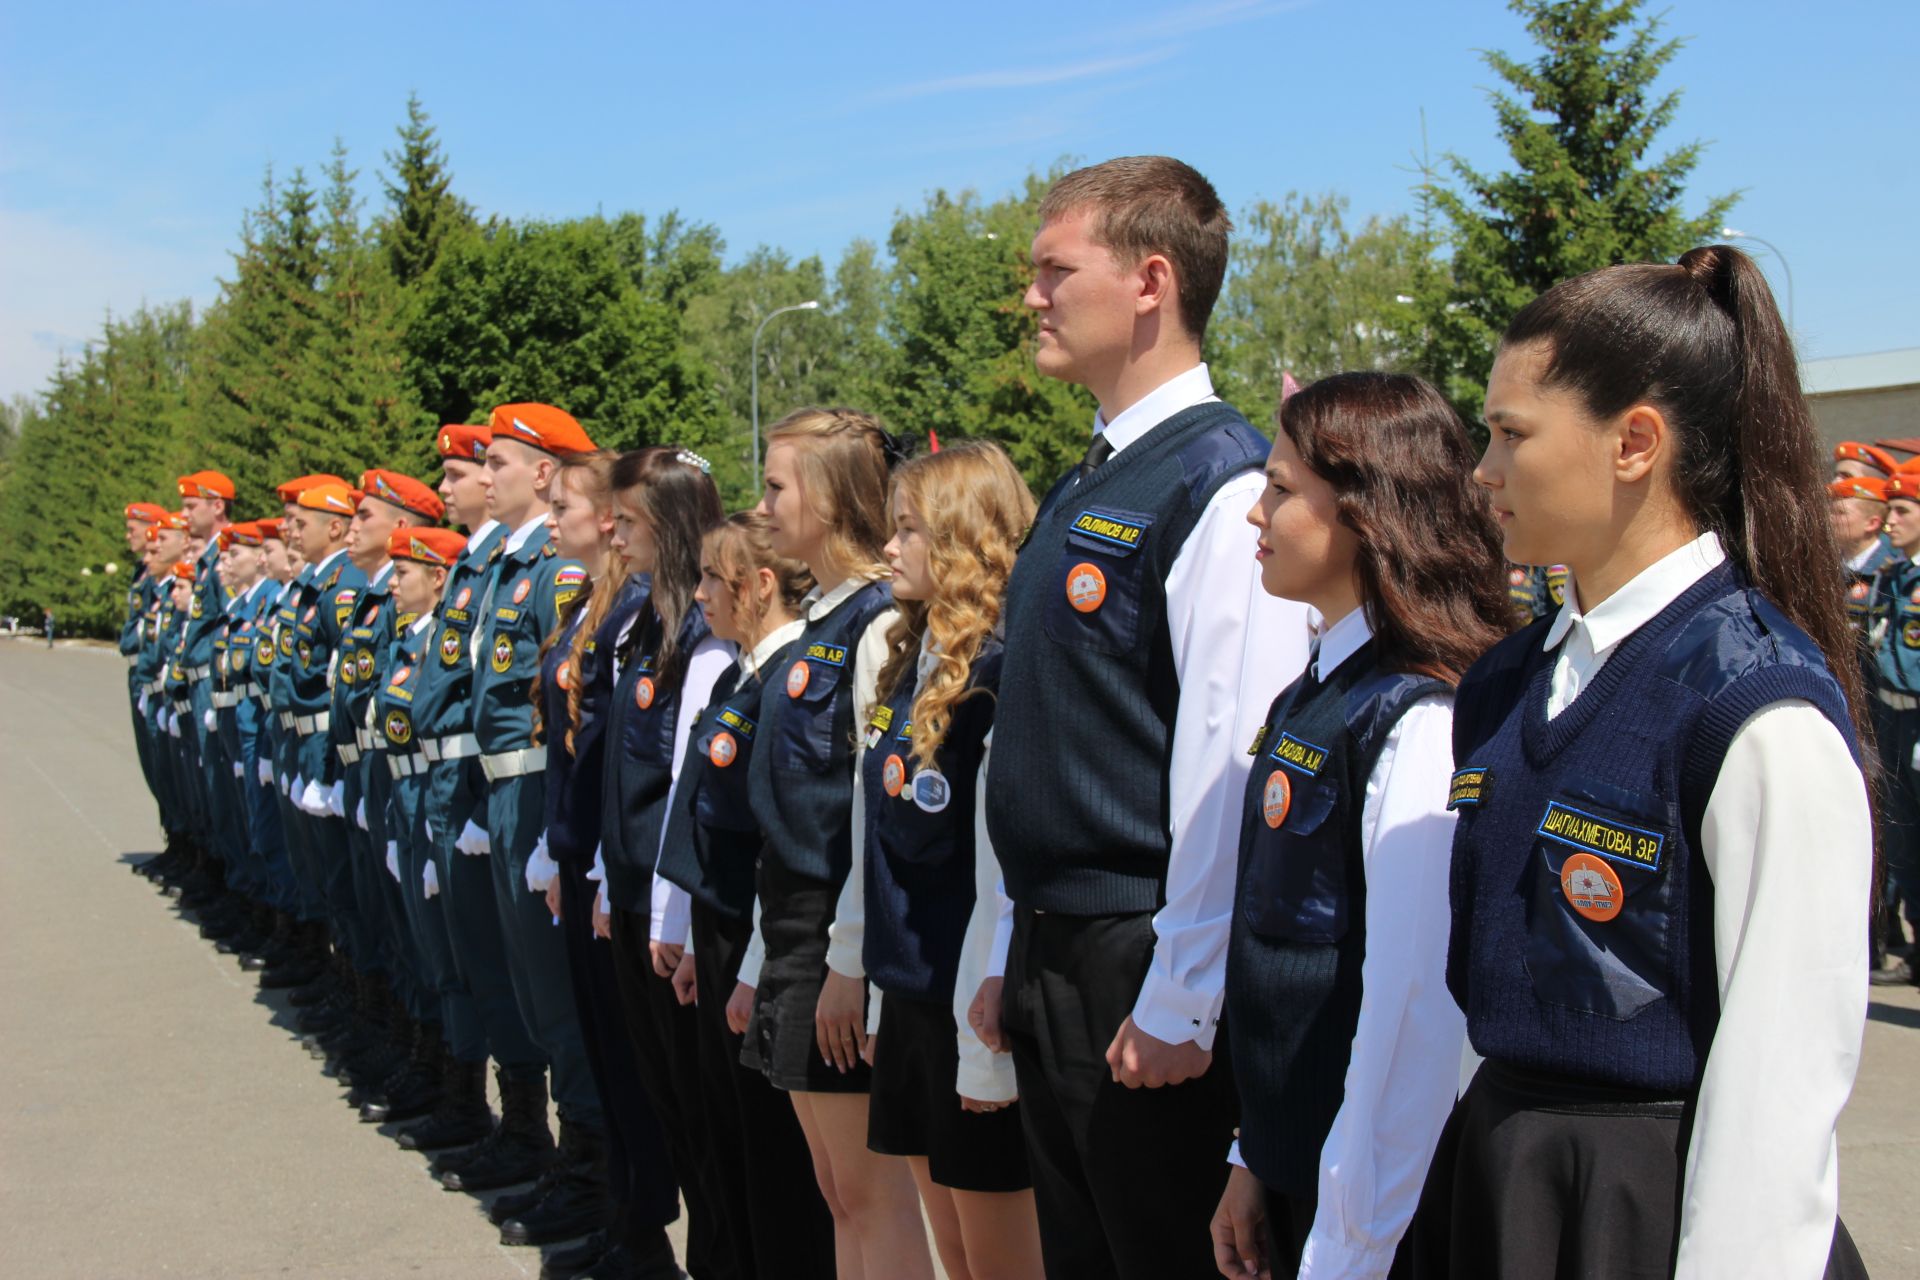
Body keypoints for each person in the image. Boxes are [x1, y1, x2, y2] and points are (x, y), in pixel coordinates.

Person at [1407, 245, 1871, 1279]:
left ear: (1636, 442)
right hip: (1497, 1190)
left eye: (1512, 433)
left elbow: (1780, 1090)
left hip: (1649, 1214)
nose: (1483, 469)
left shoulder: (1756, 707)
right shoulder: (1506, 681)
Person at [981, 156, 1311, 1278]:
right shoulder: (1092, 478)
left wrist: (1184, 994)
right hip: (1057, 949)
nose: (1031, 295)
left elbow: (1231, 761)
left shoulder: (1217, 480)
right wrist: (1006, 949)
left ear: (1149, 281)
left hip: (1142, 960)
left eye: (1052, 269)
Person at [1207, 373, 1509, 1279]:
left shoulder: (1415, 717)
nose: (1254, 514)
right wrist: (1254, 1154)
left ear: (1368, 510)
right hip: (1304, 1167)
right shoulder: (1323, 686)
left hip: (1375, 1208)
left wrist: (1350, 1242)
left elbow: (1411, 1009)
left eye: (1282, 488)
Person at [740, 406, 933, 1280]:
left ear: (825, 493)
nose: (765, 504)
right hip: (795, 927)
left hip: (833, 937)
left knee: (869, 1195)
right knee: (835, 1190)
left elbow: (871, 812)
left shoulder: (876, 625)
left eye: (778, 485)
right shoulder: (826, 617)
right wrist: (759, 959)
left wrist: (846, 962)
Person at [858, 441, 1045, 1280]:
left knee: (995, 1261)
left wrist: (983, 1051)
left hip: (967, 1011)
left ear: (963, 538)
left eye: (907, 531)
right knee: (954, 1260)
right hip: (909, 1003)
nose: (888, 549)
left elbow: (997, 883)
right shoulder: (914, 662)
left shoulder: (998, 679)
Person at [516, 447, 686, 1277]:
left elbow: (623, 760)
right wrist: (559, 844)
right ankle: (627, 1216)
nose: (557, 521)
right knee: (604, 1053)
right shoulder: (589, 608)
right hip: (583, 860)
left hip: (610, 870)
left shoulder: (630, 616)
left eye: (567, 506)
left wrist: (599, 868)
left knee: (630, 1063)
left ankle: (641, 1226)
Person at [658, 511, 835, 1279]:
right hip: (721, 931)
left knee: (776, 1170)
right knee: (726, 1143)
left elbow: (777, 838)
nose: (698, 594)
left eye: (711, 578)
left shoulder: (786, 675)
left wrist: (752, 963)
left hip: (760, 938)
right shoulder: (741, 671)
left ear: (760, 585)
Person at [393, 428, 551, 1197]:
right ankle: (520, 1126)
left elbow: (553, 696)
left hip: (518, 789)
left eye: (489, 464)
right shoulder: (488, 569)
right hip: (477, 784)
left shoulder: (541, 568)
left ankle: (567, 1157)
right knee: (496, 974)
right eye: (473, 467)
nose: (478, 481)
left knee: (537, 986)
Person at [450, 402, 601, 1200]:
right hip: (504, 789)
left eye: (497, 462)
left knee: (557, 985)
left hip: (541, 790)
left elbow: (568, 701)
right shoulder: (507, 565)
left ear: (544, 472)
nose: (481, 476)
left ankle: (585, 1163)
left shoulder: (558, 566)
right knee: (524, 980)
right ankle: (538, 1139)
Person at [595, 447, 740, 1276]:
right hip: (633, 896)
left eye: (630, 522)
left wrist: (663, 915)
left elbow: (689, 791)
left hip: (670, 916)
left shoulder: (701, 641)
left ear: (673, 524)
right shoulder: (644, 624)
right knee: (668, 1104)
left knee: (699, 1110)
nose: (616, 537)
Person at [1868, 471, 1920, 988]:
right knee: (1903, 838)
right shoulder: (1895, 575)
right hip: (1891, 716)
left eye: (1903, 510)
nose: (1892, 520)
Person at [1832, 475, 1892, 636]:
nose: (1830, 519)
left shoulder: (1887, 572)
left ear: (1872, 523)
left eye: (1840, 513)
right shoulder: (1827, 564)